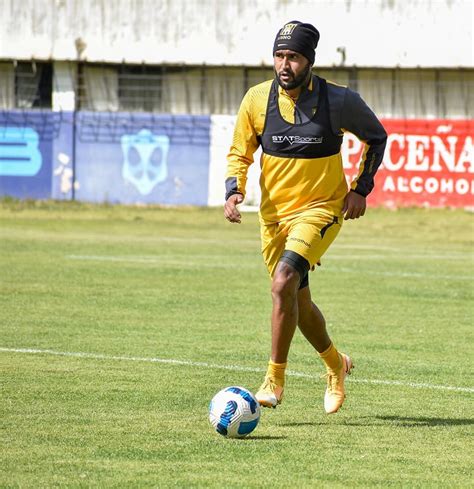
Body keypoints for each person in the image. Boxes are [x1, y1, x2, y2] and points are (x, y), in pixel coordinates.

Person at [224, 21, 387, 414]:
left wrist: (360, 188)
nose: (284, 64)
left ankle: (273, 379)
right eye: (279, 56)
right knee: (297, 301)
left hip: (322, 209)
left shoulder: (338, 101)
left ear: (310, 60)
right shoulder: (256, 100)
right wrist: (233, 189)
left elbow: (376, 136)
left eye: (293, 57)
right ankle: (336, 365)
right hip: (274, 218)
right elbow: (239, 152)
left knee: (283, 283)